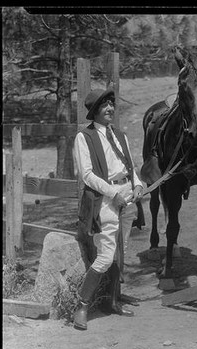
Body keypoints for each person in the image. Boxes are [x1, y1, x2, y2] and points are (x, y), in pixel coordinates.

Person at [73, 87, 144, 330]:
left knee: (121, 253)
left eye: (112, 104)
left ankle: (113, 300)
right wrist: (114, 194)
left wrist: (137, 185)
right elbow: (87, 175)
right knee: (105, 255)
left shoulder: (120, 136)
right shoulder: (85, 137)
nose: (110, 109)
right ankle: (81, 305)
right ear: (95, 111)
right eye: (105, 106)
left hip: (127, 197)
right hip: (105, 198)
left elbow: (130, 166)